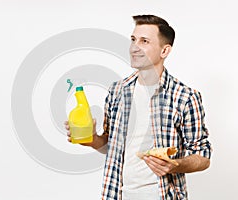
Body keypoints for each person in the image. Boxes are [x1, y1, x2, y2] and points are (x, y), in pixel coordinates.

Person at [64, 14, 212, 200]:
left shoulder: (185, 97)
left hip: (162, 195)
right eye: (133, 40)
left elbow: (203, 156)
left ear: (164, 51)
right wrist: (92, 139)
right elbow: (111, 145)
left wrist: (175, 164)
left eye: (144, 41)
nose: (135, 47)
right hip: (117, 194)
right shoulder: (117, 91)